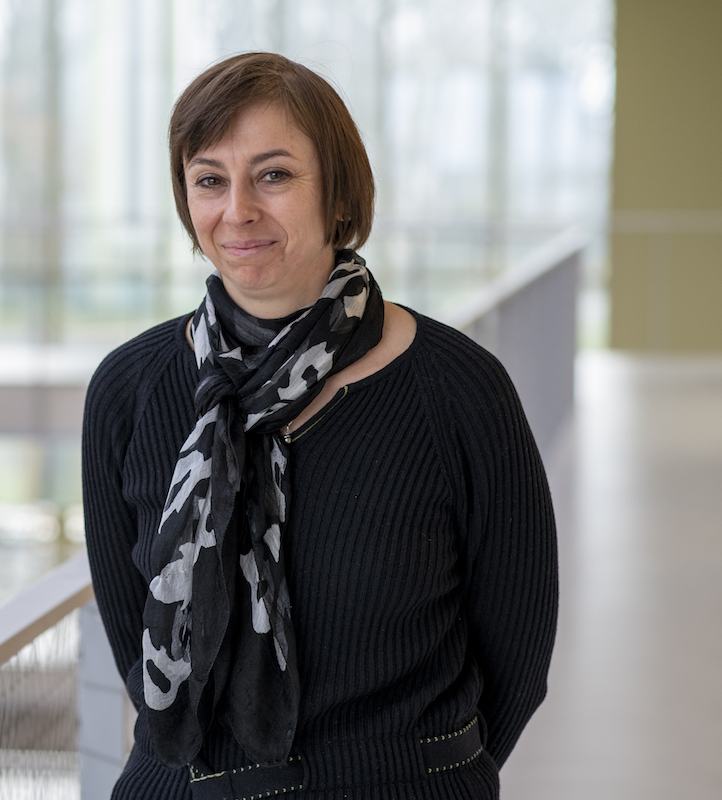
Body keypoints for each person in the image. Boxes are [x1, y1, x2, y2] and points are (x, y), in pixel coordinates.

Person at [81, 52, 557, 800]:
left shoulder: (458, 389)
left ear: (338, 193)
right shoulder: (130, 390)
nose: (237, 210)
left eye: (273, 175)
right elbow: (137, 653)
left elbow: (517, 657)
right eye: (210, 179)